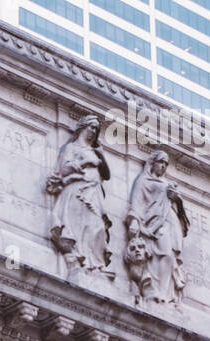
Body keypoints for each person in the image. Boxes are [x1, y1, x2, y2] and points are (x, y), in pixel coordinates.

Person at [46, 114, 112, 276]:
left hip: (94, 193)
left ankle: (94, 264)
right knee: (78, 226)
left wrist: (100, 155)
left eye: (97, 129)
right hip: (77, 191)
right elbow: (62, 170)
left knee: (97, 226)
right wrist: (85, 162)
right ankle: (77, 258)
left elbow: (107, 174)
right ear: (83, 127)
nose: (94, 132)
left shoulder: (95, 152)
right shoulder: (72, 148)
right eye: (92, 127)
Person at [126, 149, 190, 305]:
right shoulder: (143, 181)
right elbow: (136, 202)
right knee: (156, 255)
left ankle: (164, 293)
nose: (163, 166)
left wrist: (178, 200)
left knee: (167, 255)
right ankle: (151, 289)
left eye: (166, 164)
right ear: (152, 163)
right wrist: (134, 221)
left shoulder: (168, 184)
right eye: (161, 162)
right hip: (150, 224)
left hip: (168, 224)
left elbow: (182, 216)